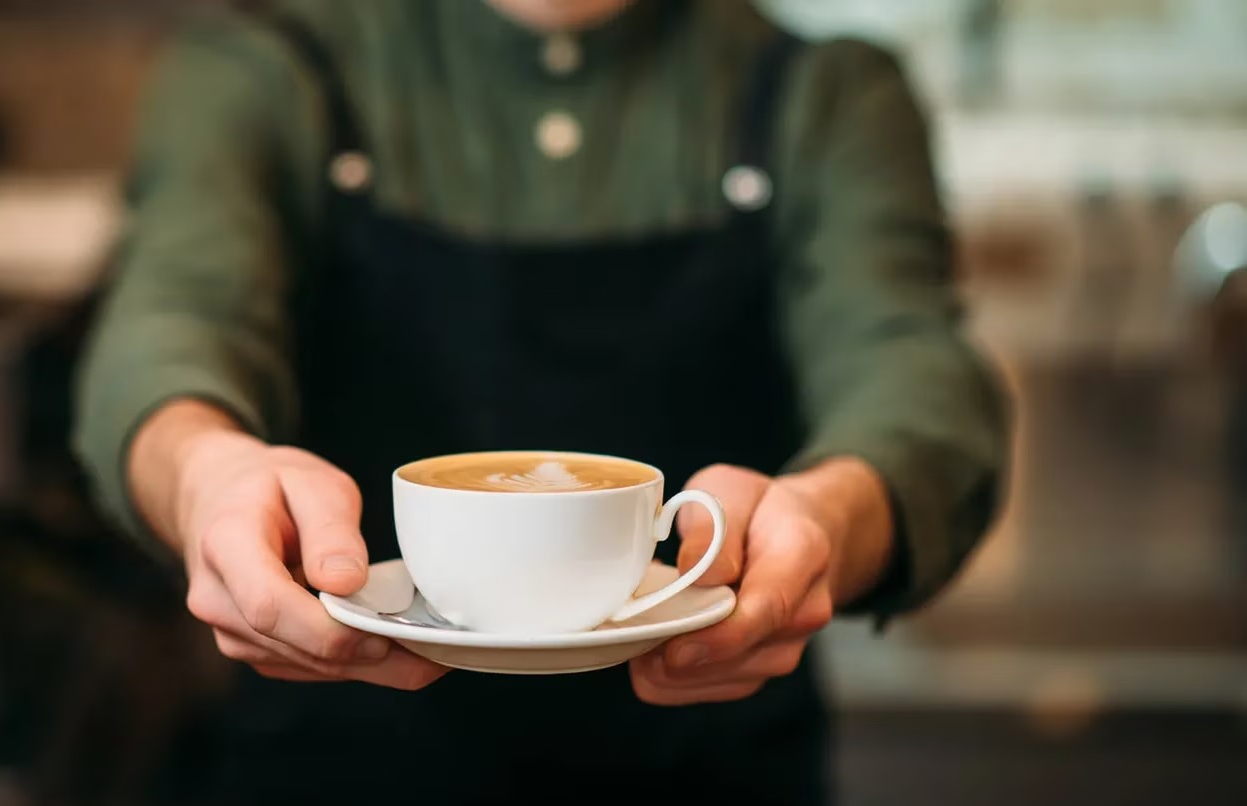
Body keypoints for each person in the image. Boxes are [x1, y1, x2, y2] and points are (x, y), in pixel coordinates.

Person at [73, 0, 1009, 802]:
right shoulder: (264, 69)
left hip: (713, 763)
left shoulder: (827, 90)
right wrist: (208, 473)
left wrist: (831, 517)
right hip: (336, 760)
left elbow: (910, 366)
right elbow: (171, 320)